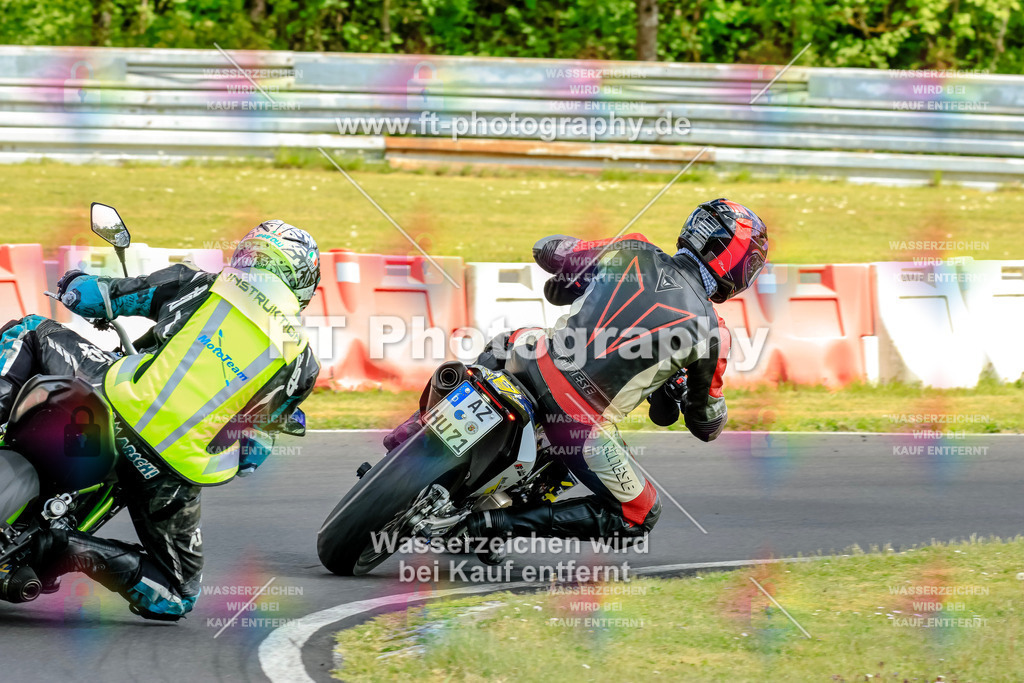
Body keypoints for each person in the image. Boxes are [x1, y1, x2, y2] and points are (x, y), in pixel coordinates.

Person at [0, 220, 322, 620]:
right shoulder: (303, 364)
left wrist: (73, 283)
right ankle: (71, 549)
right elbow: (252, 454)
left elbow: (99, 297)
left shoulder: (203, 284)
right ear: (302, 282)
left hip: (116, 402)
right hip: (169, 471)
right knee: (176, 594)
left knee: (32, 330)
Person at [448, 198, 769, 547]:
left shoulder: (633, 248)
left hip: (530, 361)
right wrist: (697, 397)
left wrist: (576, 273)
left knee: (504, 342)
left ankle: (412, 432)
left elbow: (548, 249)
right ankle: (495, 524)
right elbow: (706, 424)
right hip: (578, 422)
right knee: (640, 514)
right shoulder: (713, 332)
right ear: (738, 264)